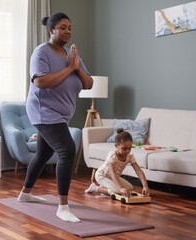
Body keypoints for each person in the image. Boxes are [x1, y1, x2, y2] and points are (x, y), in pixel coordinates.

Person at [17, 12, 93, 223]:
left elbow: (88, 84)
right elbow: (40, 82)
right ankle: (63, 207)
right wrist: (70, 67)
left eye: (69, 27)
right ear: (51, 30)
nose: (68, 31)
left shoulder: (72, 55)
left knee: (42, 154)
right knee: (67, 150)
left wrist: (76, 66)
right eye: (62, 27)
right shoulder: (41, 52)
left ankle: (25, 193)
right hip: (43, 112)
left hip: (61, 114)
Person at [85, 128, 150, 198]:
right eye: (124, 149)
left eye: (129, 148)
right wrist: (121, 188)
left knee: (130, 188)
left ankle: (105, 187)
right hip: (102, 176)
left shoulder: (130, 156)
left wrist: (145, 186)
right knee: (116, 190)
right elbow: (112, 173)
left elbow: (139, 171)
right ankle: (96, 188)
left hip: (112, 178)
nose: (127, 151)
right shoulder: (112, 156)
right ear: (116, 146)